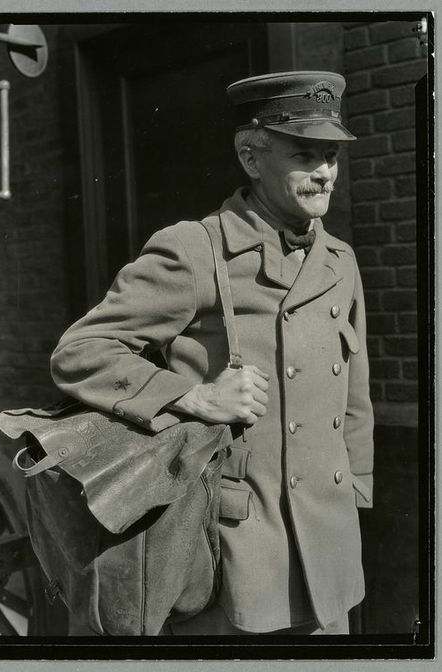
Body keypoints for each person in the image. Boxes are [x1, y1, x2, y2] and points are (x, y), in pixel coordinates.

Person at [50, 71, 374, 636]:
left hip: (330, 541)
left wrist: (356, 494)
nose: (326, 172)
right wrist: (193, 395)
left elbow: (355, 395)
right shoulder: (196, 249)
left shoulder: (339, 259)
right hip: (237, 550)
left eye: (332, 156)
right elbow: (80, 352)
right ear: (252, 157)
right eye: (305, 155)